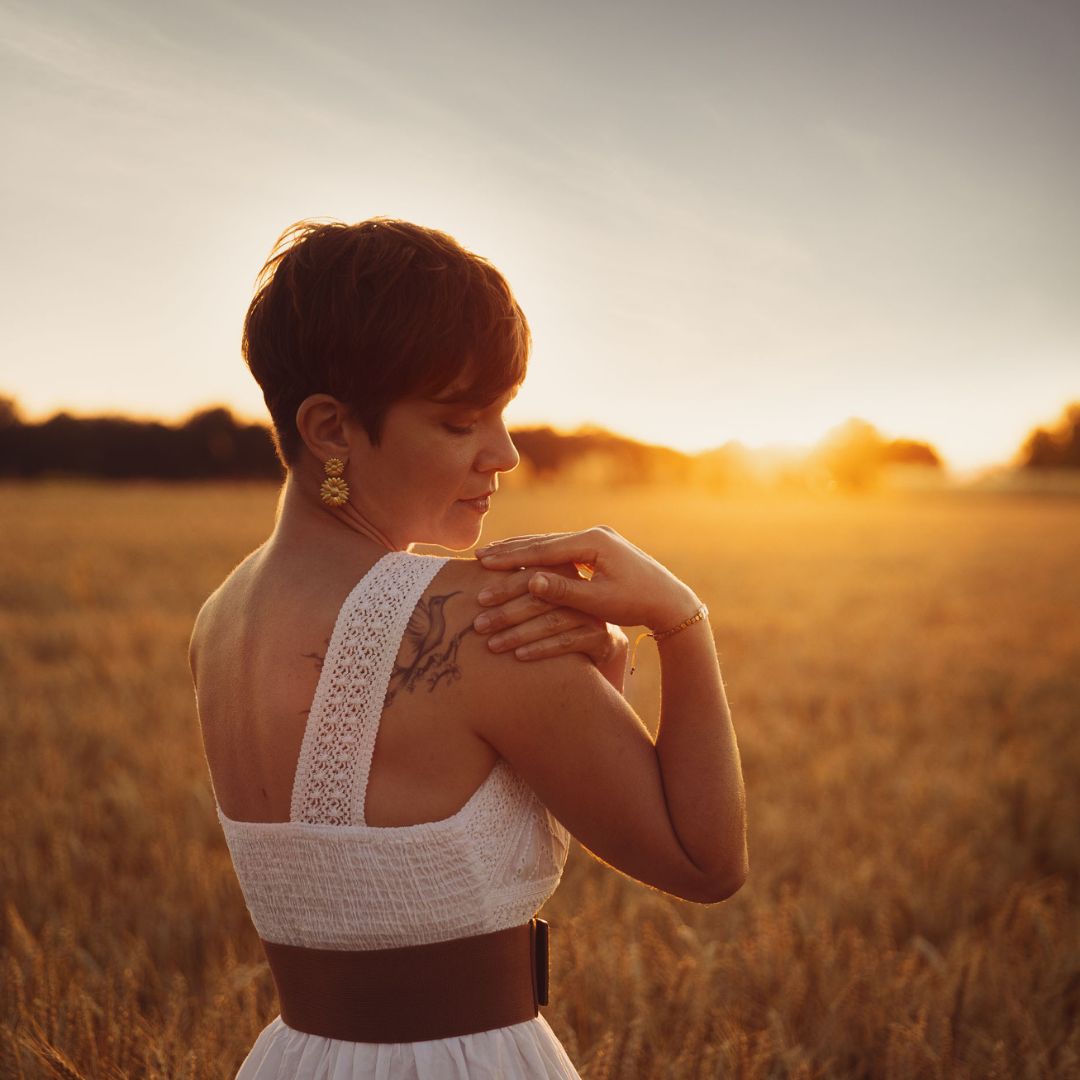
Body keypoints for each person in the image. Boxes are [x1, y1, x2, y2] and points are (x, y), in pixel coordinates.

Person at [189, 217, 747, 1080]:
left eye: (503, 413)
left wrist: (595, 669)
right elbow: (707, 862)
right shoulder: (479, 620)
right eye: (459, 422)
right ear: (331, 429)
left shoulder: (218, 619)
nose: (506, 453)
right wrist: (680, 622)